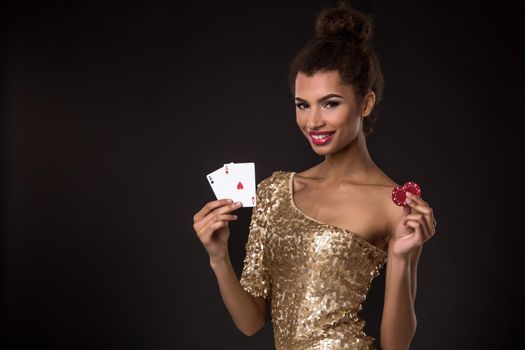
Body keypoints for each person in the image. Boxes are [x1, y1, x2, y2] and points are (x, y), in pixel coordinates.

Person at [192, 1, 437, 349]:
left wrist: (402, 257)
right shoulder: (276, 191)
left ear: (365, 105)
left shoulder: (392, 204)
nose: (313, 122)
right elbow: (251, 322)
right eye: (302, 105)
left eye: (330, 103)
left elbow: (396, 345)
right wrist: (218, 257)